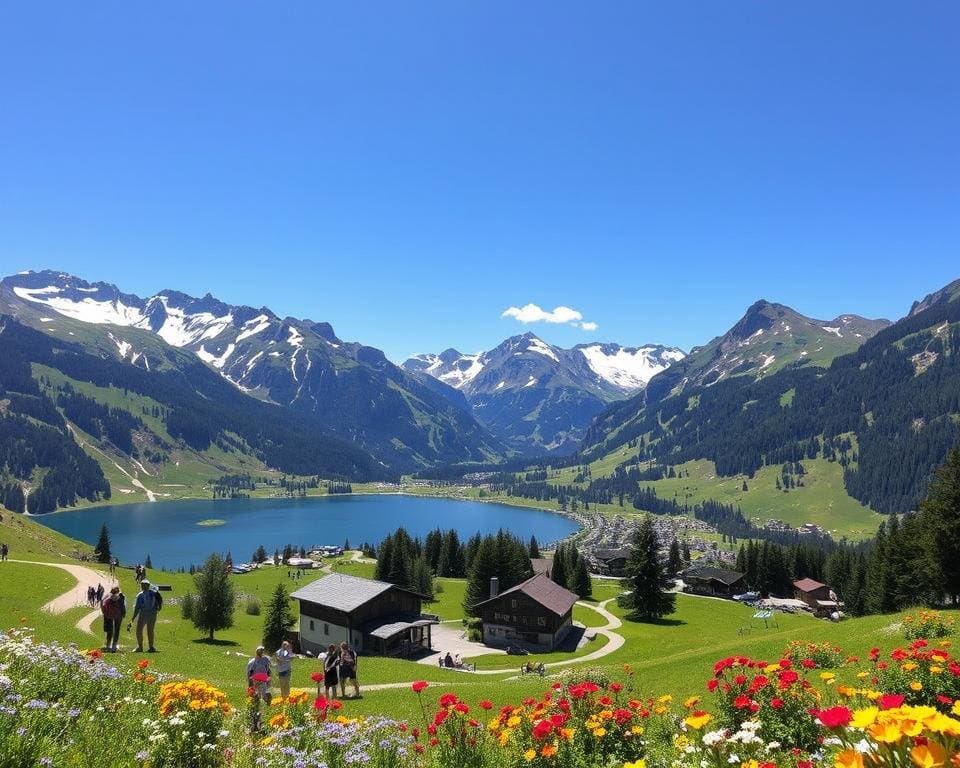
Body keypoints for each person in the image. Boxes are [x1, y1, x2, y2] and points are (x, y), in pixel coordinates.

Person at [131, 579, 161, 652]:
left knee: (139, 630)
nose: (141, 586)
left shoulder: (140, 595)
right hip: (153, 614)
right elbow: (159, 603)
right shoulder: (154, 593)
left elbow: (137, 608)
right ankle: (151, 647)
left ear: (142, 586)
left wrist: (133, 618)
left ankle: (140, 647)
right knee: (150, 630)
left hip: (143, 613)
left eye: (142, 585)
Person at [101, 585, 126, 652]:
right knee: (117, 630)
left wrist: (105, 614)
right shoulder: (120, 597)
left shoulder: (107, 597)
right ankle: (114, 646)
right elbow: (122, 606)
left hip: (109, 615)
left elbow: (102, 605)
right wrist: (124, 613)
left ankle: (108, 646)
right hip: (118, 615)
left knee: (110, 631)